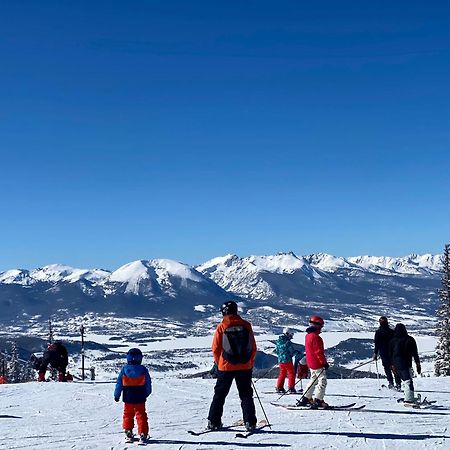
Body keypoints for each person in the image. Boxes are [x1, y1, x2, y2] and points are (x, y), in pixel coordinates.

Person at [207, 301, 257, 432]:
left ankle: (214, 421)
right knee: (246, 395)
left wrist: (220, 364)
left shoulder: (222, 326)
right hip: (245, 366)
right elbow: (253, 347)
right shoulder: (246, 325)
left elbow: (215, 348)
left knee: (219, 395)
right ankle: (250, 422)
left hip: (226, 366)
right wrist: (249, 362)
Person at [114, 348, 152, 444]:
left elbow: (119, 383)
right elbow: (148, 383)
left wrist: (117, 395)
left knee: (128, 414)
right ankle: (143, 433)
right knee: (141, 414)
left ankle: (128, 431)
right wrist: (147, 393)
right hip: (140, 396)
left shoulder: (124, 369)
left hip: (128, 397)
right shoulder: (143, 370)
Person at [296, 315, 329, 409]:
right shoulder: (316, 338)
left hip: (310, 363)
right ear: (318, 326)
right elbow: (319, 352)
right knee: (322, 381)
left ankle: (306, 398)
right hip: (317, 363)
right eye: (321, 326)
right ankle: (318, 400)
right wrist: (324, 363)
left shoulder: (308, 336)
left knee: (313, 380)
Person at [389, 323, 421, 404]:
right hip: (406, 363)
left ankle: (408, 395)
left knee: (405, 380)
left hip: (396, 363)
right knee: (408, 381)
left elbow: (390, 354)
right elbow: (415, 353)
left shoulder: (392, 340)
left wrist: (392, 365)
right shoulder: (410, 339)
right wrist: (417, 363)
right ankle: (409, 399)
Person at [373, 316, 401, 390]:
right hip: (393, 353)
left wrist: (375, 353)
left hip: (384, 353)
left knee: (387, 369)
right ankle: (398, 384)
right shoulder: (392, 332)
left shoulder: (378, 333)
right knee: (394, 368)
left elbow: (377, 344)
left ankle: (391, 383)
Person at [275, 327, 298, 393]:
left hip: (280, 360)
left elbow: (277, 350)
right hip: (287, 360)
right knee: (291, 373)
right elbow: (292, 352)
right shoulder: (288, 342)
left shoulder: (278, 341)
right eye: (291, 335)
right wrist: (298, 353)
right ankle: (291, 388)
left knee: (282, 373)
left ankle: (279, 387)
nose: (291, 336)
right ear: (287, 334)